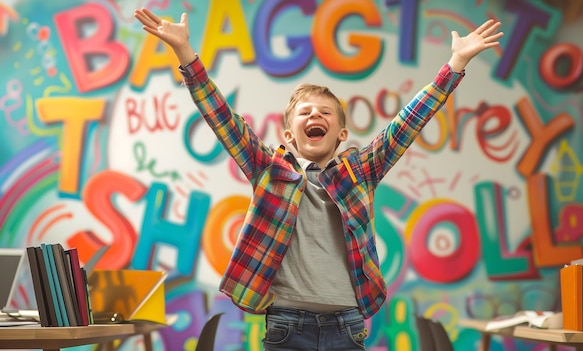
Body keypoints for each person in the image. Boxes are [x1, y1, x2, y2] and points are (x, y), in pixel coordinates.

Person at [134, 8, 503, 351]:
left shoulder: (360, 172)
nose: (316, 115)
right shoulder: (268, 169)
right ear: (290, 135)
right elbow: (221, 116)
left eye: (326, 112)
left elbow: (407, 123)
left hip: (347, 323)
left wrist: (456, 63)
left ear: (341, 134)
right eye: (306, 112)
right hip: (285, 323)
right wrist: (185, 52)